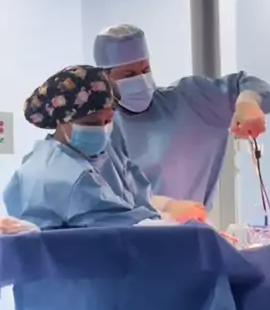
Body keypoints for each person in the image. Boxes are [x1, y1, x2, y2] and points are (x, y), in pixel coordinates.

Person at [93, 24, 270, 209]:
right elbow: (106, 199)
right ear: (105, 78)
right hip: (132, 227)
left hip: (193, 222)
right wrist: (167, 208)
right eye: (129, 74)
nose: (141, 79)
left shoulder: (190, 101)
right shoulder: (99, 129)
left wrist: (249, 101)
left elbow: (247, 84)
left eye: (145, 69)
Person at [3, 65, 173, 230]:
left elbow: (144, 205)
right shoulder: (58, 173)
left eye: (108, 120)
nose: (102, 129)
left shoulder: (111, 158)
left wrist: (160, 218)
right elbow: (118, 228)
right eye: (91, 122)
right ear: (63, 120)